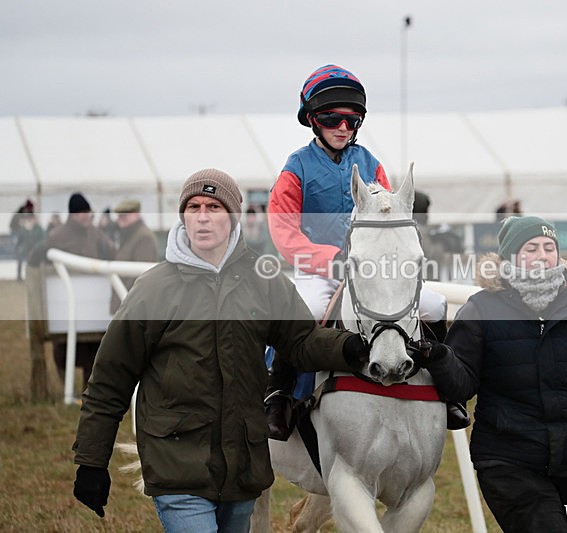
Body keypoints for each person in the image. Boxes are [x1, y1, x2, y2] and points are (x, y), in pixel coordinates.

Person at [71, 168, 372, 529]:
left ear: (232, 217)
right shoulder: (152, 291)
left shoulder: (264, 280)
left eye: (213, 207)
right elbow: (109, 381)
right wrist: (91, 461)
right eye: (193, 207)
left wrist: (351, 348)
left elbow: (302, 341)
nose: (202, 217)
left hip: (241, 469)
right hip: (177, 468)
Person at [412, 216, 567, 532]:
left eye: (549, 247)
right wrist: (442, 357)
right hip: (507, 459)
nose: (542, 255)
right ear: (511, 257)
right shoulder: (480, 310)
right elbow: (460, 387)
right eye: (531, 248)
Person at [266, 64, 458, 437]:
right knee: (306, 311)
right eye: (331, 118)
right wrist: (328, 260)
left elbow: (392, 217)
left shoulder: (372, 164)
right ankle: (279, 393)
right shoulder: (296, 168)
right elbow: (283, 230)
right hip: (316, 270)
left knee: (433, 305)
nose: (343, 127)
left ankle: (447, 389)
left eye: (352, 121)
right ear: (311, 119)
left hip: (373, 270)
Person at [28, 192, 117, 388]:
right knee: (63, 350)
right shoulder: (57, 235)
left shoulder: (94, 233)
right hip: (65, 302)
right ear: (73, 214)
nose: (87, 216)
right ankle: (64, 388)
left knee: (93, 348)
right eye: (82, 212)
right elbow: (39, 256)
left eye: (89, 212)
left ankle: (89, 388)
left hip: (91, 303)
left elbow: (111, 251)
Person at [109, 198, 159, 313]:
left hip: (133, 308)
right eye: (119, 216)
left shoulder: (143, 237)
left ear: (136, 214)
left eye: (124, 216)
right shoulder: (129, 235)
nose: (119, 220)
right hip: (127, 305)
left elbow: (141, 277)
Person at [9, 199, 44, 280]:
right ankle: (19, 277)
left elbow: (42, 239)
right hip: (24, 249)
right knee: (20, 260)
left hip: (34, 250)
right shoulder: (23, 228)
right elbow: (19, 240)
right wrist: (19, 248)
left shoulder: (38, 228)